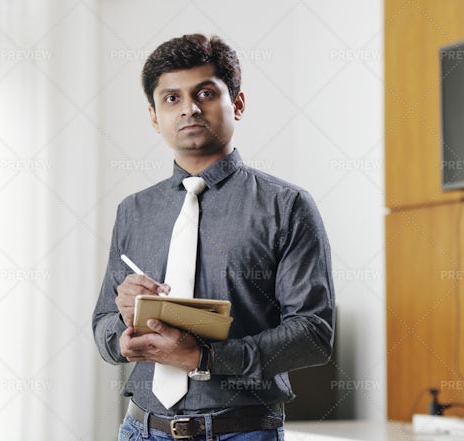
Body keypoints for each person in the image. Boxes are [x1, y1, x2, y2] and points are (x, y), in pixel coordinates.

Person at [92, 34, 335, 441]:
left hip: (240, 432)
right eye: (171, 98)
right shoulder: (132, 211)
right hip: (141, 428)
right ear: (154, 116)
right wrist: (123, 334)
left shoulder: (287, 206)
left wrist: (204, 357)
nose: (188, 108)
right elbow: (102, 326)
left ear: (237, 104)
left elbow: (313, 333)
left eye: (204, 93)